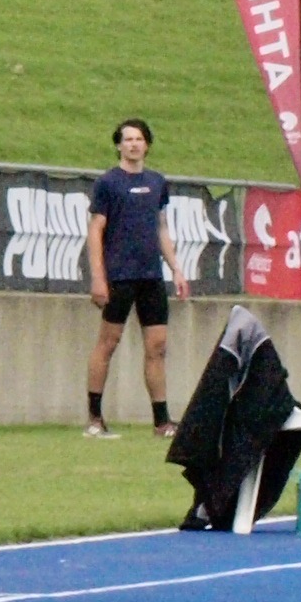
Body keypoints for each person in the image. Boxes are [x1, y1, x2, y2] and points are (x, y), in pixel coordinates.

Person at [85, 118, 185, 440]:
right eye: (127, 139)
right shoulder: (108, 183)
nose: (133, 144)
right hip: (120, 275)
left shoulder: (157, 183)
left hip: (150, 276)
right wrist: (99, 278)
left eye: (139, 139)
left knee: (157, 346)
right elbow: (95, 230)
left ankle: (162, 422)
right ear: (118, 145)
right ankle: (95, 418)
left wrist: (176, 268)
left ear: (147, 144)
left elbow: (161, 228)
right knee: (108, 343)